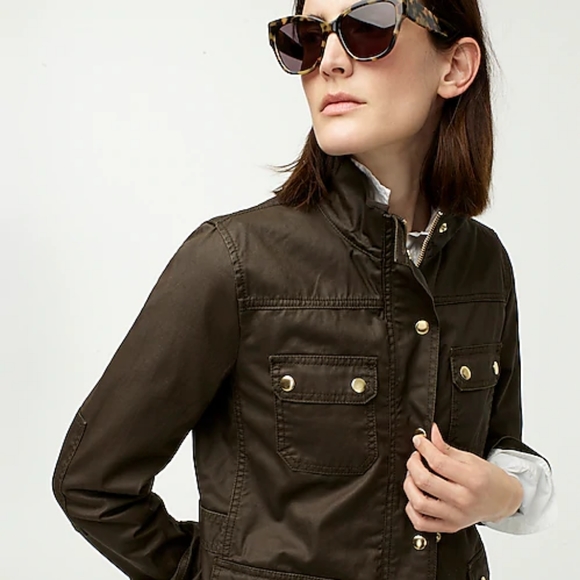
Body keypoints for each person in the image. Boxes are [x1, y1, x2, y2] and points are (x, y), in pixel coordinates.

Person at [52, 0, 557, 578]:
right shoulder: (233, 261)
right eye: (307, 38)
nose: (330, 62)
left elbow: (500, 447)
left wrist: (507, 495)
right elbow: (92, 483)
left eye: (368, 28)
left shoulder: (484, 263)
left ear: (455, 66)